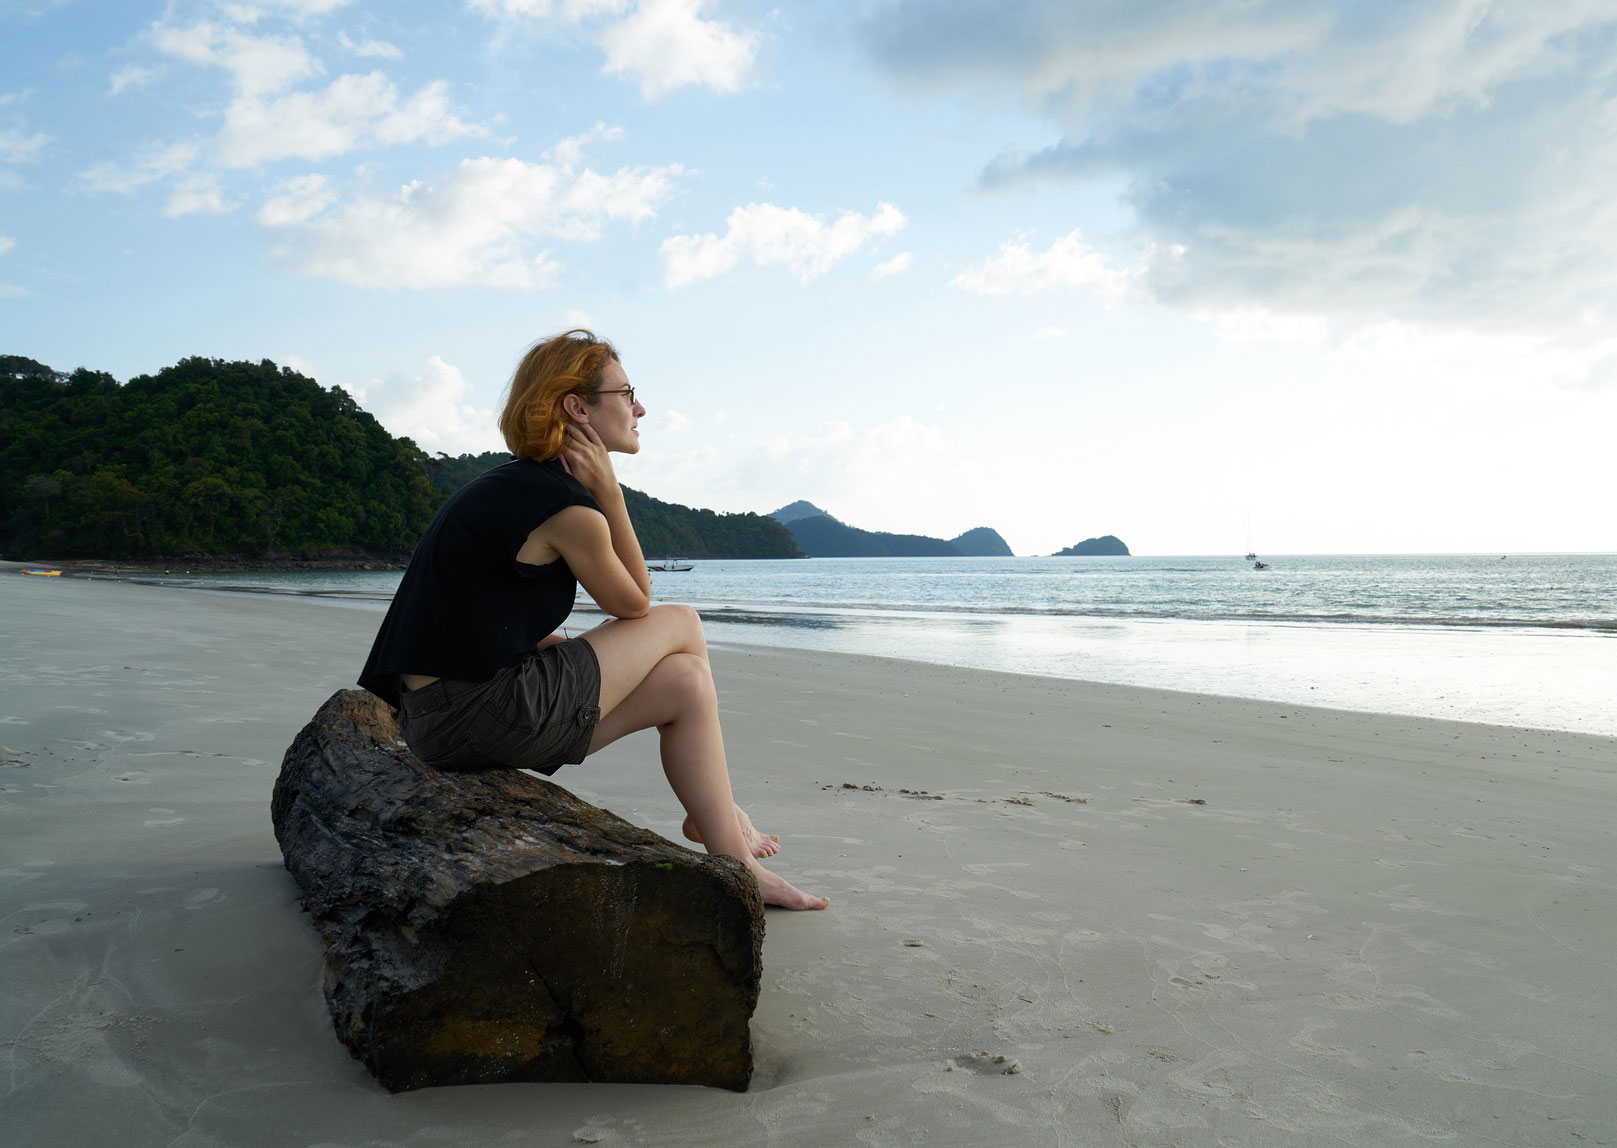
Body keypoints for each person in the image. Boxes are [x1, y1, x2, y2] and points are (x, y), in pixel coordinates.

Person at [359, 329, 827, 911]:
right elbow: (636, 604)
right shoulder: (566, 508)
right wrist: (612, 492)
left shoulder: (508, 489)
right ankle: (727, 835)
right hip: (475, 716)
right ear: (578, 408)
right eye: (627, 393)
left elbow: (488, 626)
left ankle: (722, 835)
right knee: (681, 621)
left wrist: (570, 654)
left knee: (686, 682)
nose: (640, 408)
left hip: (442, 721)